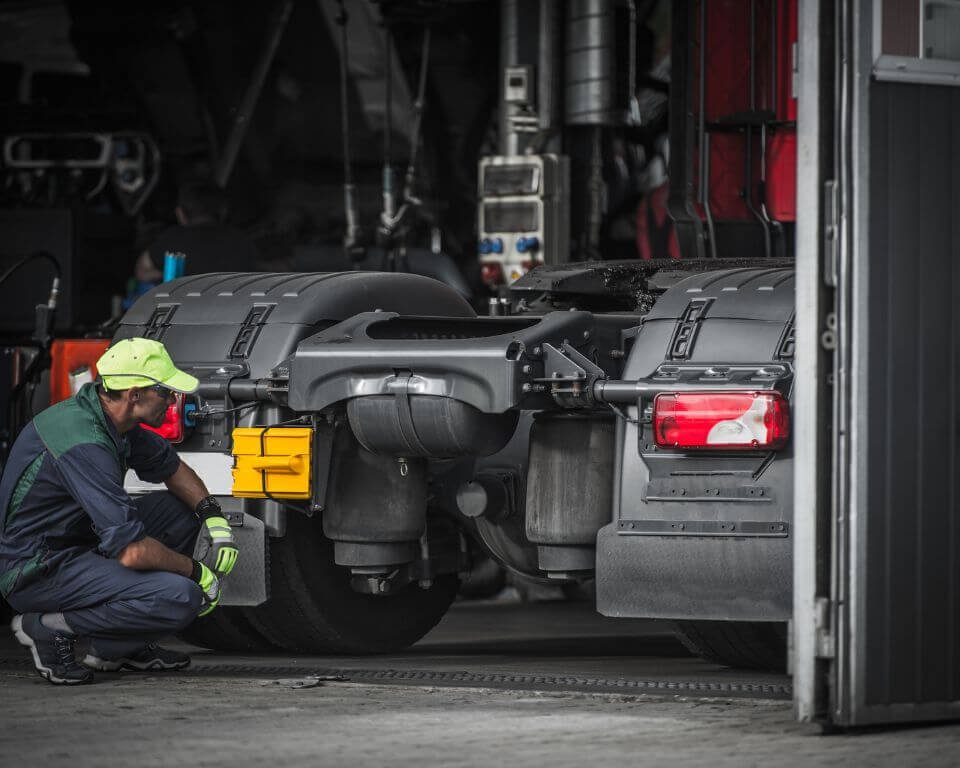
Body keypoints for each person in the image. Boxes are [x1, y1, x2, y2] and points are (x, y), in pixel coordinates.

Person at [0, 337, 239, 685]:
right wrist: (197, 572)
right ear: (135, 394)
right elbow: (132, 552)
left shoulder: (113, 422)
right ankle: (47, 628)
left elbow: (172, 468)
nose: (174, 399)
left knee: (181, 512)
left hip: (79, 544)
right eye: (166, 391)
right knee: (179, 597)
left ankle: (117, 648)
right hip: (37, 568)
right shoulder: (84, 441)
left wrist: (213, 516)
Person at [134, 180, 261, 283]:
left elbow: (142, 273)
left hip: (186, 311)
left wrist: (174, 273)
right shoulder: (242, 241)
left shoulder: (174, 239)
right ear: (223, 211)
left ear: (180, 213)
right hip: (234, 311)